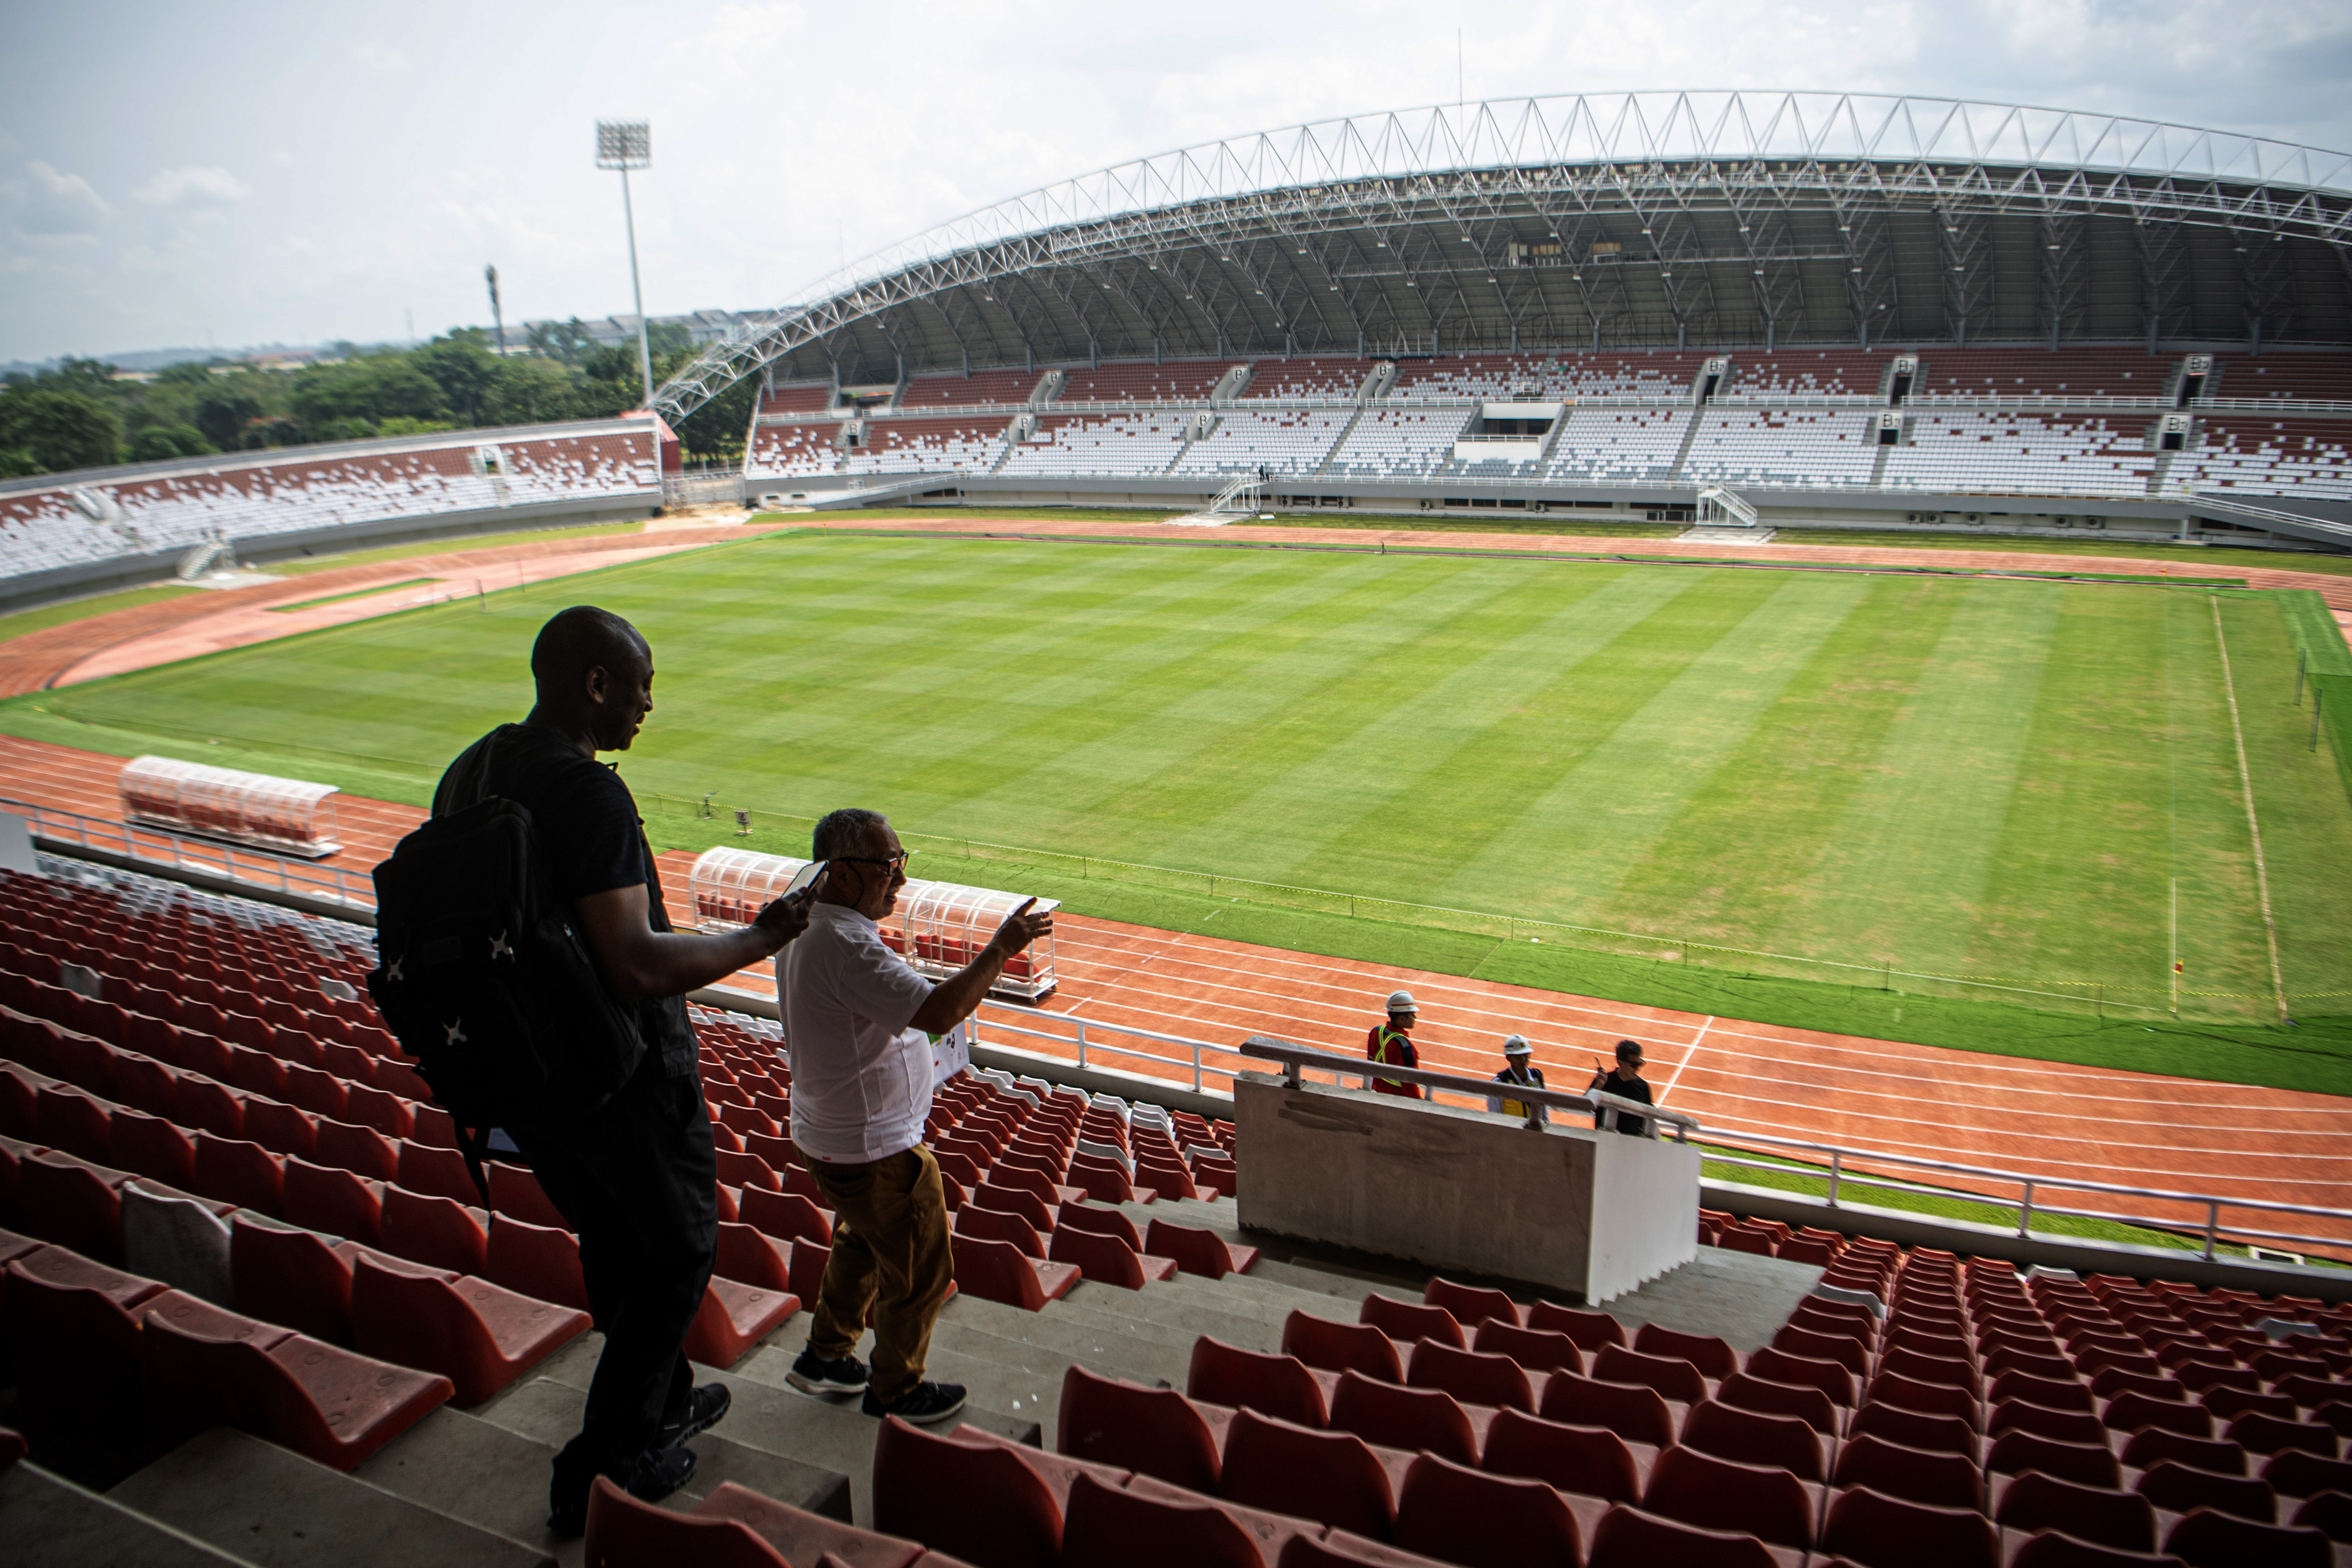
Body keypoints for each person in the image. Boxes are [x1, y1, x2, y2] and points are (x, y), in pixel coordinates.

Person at [433, 605, 816, 1536]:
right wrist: (763, 934)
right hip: (620, 1076)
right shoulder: (589, 794)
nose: (649, 703)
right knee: (680, 1247)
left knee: (610, 1242)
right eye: (640, 685)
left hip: (527, 1075)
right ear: (594, 683)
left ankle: (663, 1400)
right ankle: (604, 1462)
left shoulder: (473, 766)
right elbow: (635, 965)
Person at [782, 808, 1051, 1425]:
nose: (899, 881)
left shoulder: (807, 912)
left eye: (902, 863)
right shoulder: (847, 945)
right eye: (889, 866)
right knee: (922, 1267)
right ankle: (897, 1389)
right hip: (873, 1146)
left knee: (864, 1240)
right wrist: (1002, 948)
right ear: (843, 874)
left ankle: (826, 1356)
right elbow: (940, 1011)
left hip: (829, 1135)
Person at [1585, 1039, 1654, 1138]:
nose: (1637, 1068)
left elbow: (1649, 1116)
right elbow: (1586, 1107)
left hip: (1631, 1144)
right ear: (1621, 1063)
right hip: (1605, 1140)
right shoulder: (1604, 1081)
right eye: (1633, 1065)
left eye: (1640, 1064)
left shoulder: (1643, 1086)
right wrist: (1598, 1087)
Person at [1364, 990, 1422, 1098]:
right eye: (1412, 1015)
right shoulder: (1406, 1047)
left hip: (1376, 1094)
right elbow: (1410, 1083)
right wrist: (1418, 1104)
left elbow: (1370, 1064)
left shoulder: (1376, 1032)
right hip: (1397, 1100)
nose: (1415, 1018)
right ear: (1401, 1019)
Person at [1486, 1035, 1546, 1123]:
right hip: (1511, 1133)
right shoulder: (1499, 1084)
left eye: (1526, 1055)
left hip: (1534, 1133)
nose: (1523, 1060)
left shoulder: (1537, 1077)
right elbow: (1494, 1115)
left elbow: (1544, 1109)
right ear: (1508, 1057)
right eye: (1517, 1057)